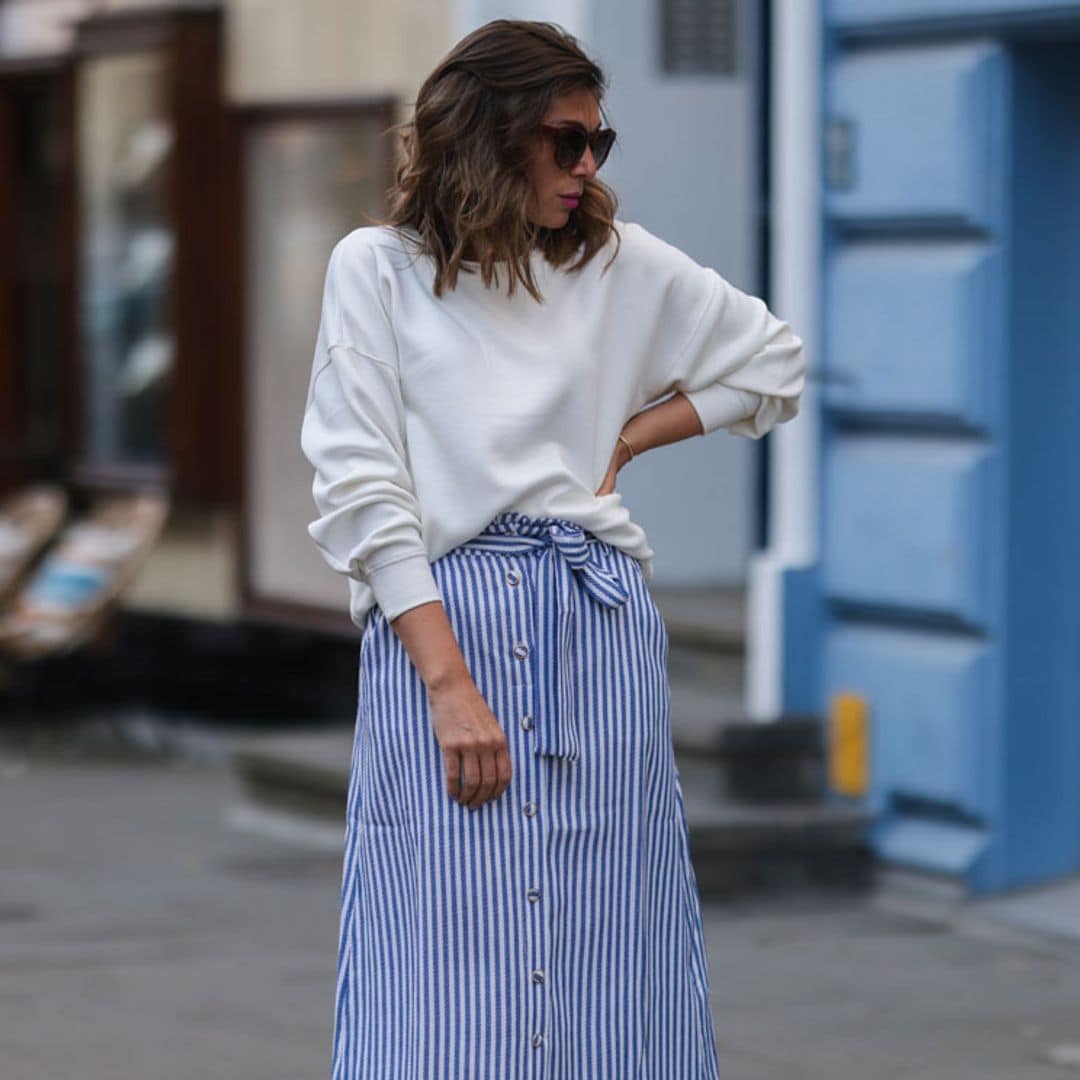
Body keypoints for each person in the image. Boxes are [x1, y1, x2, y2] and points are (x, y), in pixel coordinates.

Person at [300, 18, 805, 1079]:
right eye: (567, 140)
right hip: (447, 626)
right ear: (489, 133)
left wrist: (629, 434)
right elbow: (360, 483)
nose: (588, 167)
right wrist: (445, 681)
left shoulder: (617, 265)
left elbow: (771, 362)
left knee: (617, 930)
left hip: (596, 621)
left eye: (599, 145)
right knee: (436, 940)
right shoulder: (378, 272)